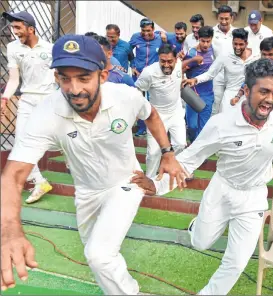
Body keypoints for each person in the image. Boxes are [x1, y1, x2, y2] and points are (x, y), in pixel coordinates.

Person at [0, 34, 187, 295]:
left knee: (99, 255)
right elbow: (12, 176)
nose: (74, 89)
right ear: (56, 79)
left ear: (103, 75)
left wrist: (167, 153)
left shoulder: (126, 97)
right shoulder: (46, 112)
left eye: (84, 78)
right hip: (86, 192)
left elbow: (151, 115)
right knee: (96, 257)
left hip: (125, 182)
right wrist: (8, 232)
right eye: (65, 78)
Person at [144, 58, 273, 295]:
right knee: (200, 242)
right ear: (247, 91)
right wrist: (155, 185)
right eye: (264, 91)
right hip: (222, 190)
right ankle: (197, 226)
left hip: (254, 197)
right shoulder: (221, 124)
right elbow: (189, 159)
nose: (269, 99)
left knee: (236, 262)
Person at [0, 11, 54, 204]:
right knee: (21, 142)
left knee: (57, 141)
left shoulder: (50, 48)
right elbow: (14, 79)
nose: (14, 32)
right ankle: (39, 181)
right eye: (13, 27)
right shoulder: (13, 48)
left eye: (18, 27)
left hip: (49, 100)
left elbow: (59, 76)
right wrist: (5, 99)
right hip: (27, 99)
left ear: (30, 29)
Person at [135, 44, 187, 178]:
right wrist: (140, 110)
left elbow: (180, 77)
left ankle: (171, 168)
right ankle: (150, 178)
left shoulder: (179, 64)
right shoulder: (149, 72)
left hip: (176, 113)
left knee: (180, 144)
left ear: (176, 59)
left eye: (170, 61)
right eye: (162, 61)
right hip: (156, 116)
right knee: (153, 152)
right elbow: (138, 90)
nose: (166, 65)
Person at [183, 28, 260, 114]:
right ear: (232, 43)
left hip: (249, 95)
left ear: (246, 44)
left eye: (241, 44)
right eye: (235, 44)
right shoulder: (225, 56)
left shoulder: (255, 56)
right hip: (230, 95)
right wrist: (195, 79)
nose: (237, 47)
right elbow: (210, 74)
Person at [231, 37, 273, 113]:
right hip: (260, 109)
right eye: (264, 54)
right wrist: (238, 97)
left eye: (270, 54)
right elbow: (247, 83)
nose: (267, 58)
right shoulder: (256, 66)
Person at [129, 18, 164, 137]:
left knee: (154, 102)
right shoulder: (135, 37)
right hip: (138, 75)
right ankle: (141, 127)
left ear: (153, 29)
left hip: (154, 76)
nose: (145, 33)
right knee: (138, 101)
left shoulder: (160, 39)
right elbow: (129, 52)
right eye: (143, 30)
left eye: (148, 30)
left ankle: (155, 126)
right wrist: (132, 66)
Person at [182, 26, 215, 142]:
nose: (205, 44)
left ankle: (198, 152)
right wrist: (192, 60)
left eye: (208, 41)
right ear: (198, 39)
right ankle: (192, 141)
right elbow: (180, 68)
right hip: (193, 94)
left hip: (208, 94)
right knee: (192, 126)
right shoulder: (192, 53)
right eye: (203, 41)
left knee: (203, 127)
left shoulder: (214, 50)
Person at [211, 5, 236, 115]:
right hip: (218, 74)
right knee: (216, 103)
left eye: (226, 18)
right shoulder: (211, 32)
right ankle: (214, 129)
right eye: (221, 18)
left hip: (234, 74)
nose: (224, 21)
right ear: (218, 18)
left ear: (232, 18)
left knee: (232, 103)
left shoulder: (237, 32)